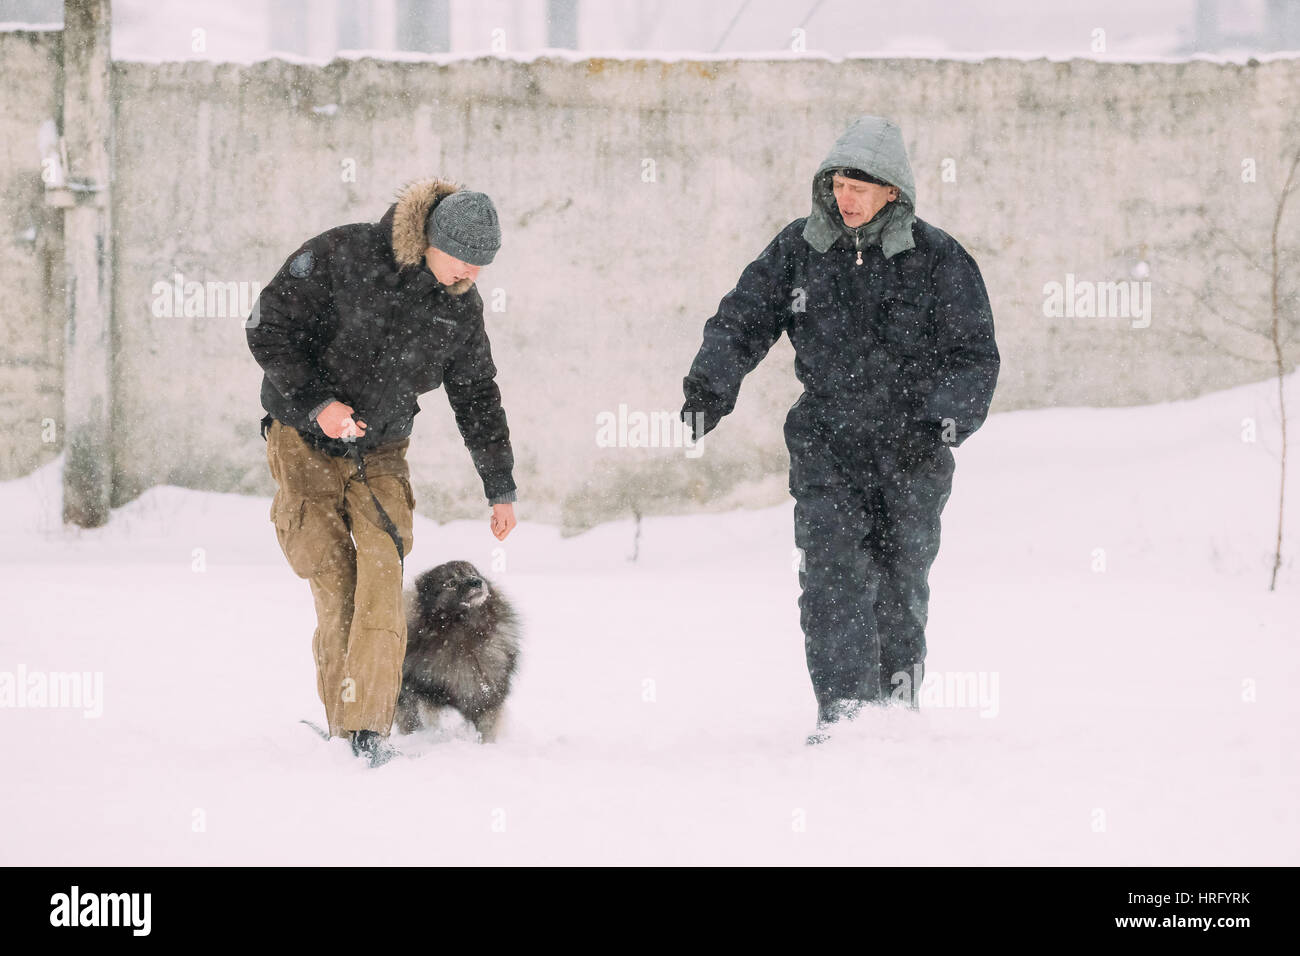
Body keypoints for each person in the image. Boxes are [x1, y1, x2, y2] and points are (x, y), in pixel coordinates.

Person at [680, 116, 1000, 744]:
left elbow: (973, 354)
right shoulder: (800, 248)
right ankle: (846, 716)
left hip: (912, 451)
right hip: (827, 442)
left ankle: (894, 715)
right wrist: (709, 389)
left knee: (899, 580)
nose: (845, 197)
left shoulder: (937, 259)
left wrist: (942, 422)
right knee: (831, 579)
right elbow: (743, 316)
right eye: (838, 185)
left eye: (860, 186)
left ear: (892, 193)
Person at [246, 178, 518, 766]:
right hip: (303, 441)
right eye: (462, 259)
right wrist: (320, 403)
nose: (470, 274)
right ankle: (345, 726)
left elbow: (477, 395)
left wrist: (500, 488)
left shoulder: (458, 307)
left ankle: (367, 730)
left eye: (482, 264)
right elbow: (266, 327)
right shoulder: (342, 255)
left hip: (381, 452)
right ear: (429, 239)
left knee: (381, 578)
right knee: (335, 582)